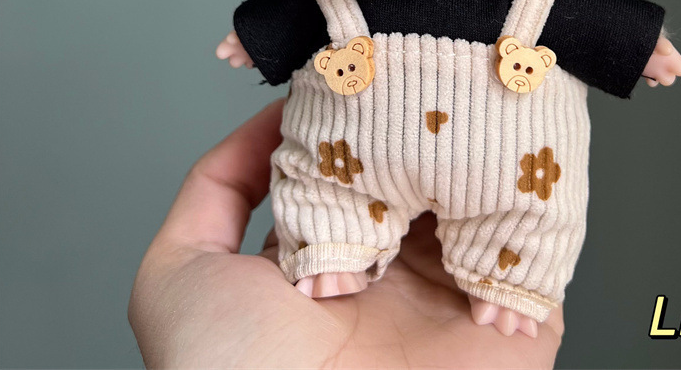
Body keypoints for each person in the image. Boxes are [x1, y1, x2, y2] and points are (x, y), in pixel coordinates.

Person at [128, 100, 564, 368]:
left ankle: (507, 281)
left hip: (503, 158)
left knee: (515, 216)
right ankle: (330, 252)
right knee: (333, 189)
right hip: (360, 145)